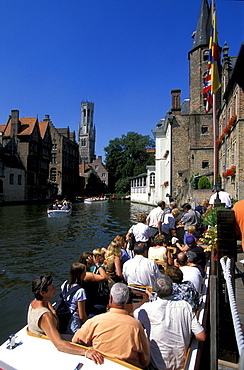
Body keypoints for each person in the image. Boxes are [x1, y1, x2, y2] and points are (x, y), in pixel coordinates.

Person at [27, 275, 103, 364]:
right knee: (90, 342)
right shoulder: (45, 316)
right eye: (52, 288)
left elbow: (47, 304)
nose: (55, 289)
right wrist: (86, 352)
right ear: (42, 293)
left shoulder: (34, 303)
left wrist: (53, 312)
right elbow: (59, 345)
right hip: (53, 339)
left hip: (41, 334)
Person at [134, 276, 205, 370]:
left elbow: (136, 318)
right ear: (172, 290)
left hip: (155, 365)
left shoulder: (147, 309)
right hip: (181, 363)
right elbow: (201, 336)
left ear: (157, 292)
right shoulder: (185, 306)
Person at [72, 283, 150, 368]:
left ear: (111, 297)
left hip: (100, 365)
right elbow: (145, 360)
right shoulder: (136, 326)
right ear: (127, 299)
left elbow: (75, 341)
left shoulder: (95, 321)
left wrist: (89, 350)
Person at [60, 263, 87, 334]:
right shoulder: (80, 291)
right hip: (74, 323)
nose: (86, 274)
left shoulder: (65, 284)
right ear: (79, 274)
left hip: (64, 318)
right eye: (84, 272)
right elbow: (82, 316)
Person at [79, 252, 109, 316]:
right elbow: (105, 277)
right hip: (91, 304)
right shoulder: (87, 275)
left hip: (91, 301)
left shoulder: (84, 272)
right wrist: (97, 264)